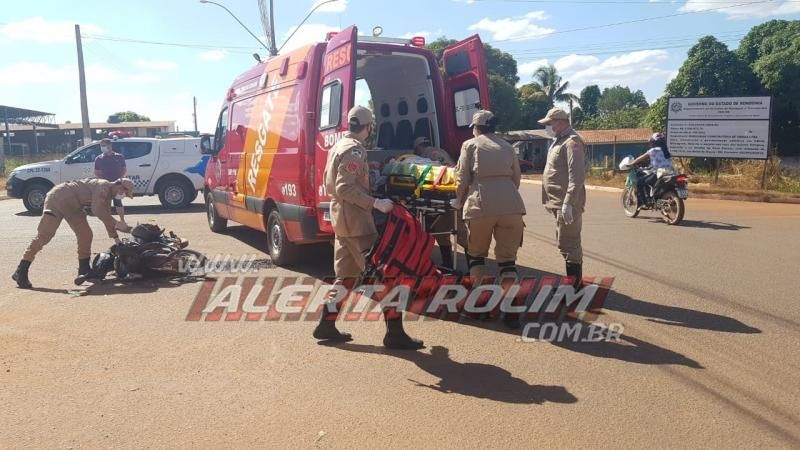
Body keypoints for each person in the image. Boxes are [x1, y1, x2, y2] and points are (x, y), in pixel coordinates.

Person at [315, 105, 423, 350]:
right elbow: (344, 187)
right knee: (385, 275)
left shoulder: (338, 146)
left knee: (346, 276)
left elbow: (337, 183)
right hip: (357, 222)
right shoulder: (354, 150)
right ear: (368, 128)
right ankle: (395, 334)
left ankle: (326, 324)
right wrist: (376, 202)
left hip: (342, 220)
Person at [12, 178, 135, 289]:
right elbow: (97, 210)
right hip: (58, 199)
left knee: (85, 234)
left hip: (73, 207)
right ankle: (21, 271)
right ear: (119, 186)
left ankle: (84, 269)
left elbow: (106, 217)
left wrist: (116, 239)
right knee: (44, 236)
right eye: (124, 192)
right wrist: (123, 227)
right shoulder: (103, 186)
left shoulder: (108, 197)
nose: (123, 195)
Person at [454, 110, 526, 283]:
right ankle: (511, 302)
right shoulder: (508, 146)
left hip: (481, 206)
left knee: (476, 255)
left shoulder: (469, 145)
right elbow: (516, 178)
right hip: (512, 207)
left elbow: (462, 177)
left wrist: (458, 199)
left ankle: (479, 299)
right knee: (508, 260)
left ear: (477, 128)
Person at [539, 107, 586, 288]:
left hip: (567, 203)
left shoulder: (572, 142)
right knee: (565, 244)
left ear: (560, 122)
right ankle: (573, 285)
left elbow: (577, 176)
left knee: (570, 245)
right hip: (558, 203)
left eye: (549, 124)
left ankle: (574, 288)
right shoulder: (560, 140)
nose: (548, 127)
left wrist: (568, 203)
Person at [629, 132, 674, 207]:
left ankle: (643, 203)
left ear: (654, 142)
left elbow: (641, 158)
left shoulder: (653, 150)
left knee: (640, 182)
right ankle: (658, 202)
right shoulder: (666, 150)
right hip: (671, 172)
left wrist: (632, 163)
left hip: (659, 173)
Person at [94, 138, 128, 223]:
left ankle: (122, 220)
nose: (103, 147)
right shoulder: (99, 158)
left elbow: (123, 169)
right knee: (106, 204)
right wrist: (102, 181)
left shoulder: (119, 157)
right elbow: (96, 172)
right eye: (101, 146)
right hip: (105, 185)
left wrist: (120, 179)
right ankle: (109, 221)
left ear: (110, 146)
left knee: (118, 202)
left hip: (117, 184)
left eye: (104, 145)